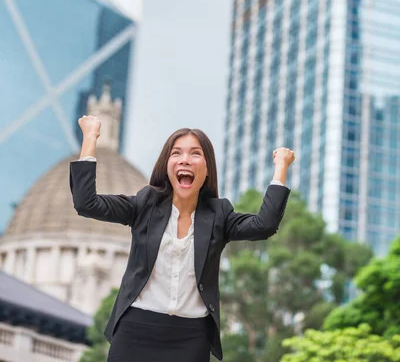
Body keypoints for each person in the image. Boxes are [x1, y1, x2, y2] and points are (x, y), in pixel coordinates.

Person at [70, 115, 295, 362]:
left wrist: (281, 167)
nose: (185, 160)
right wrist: (90, 137)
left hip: (191, 337)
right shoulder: (145, 204)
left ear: (207, 168)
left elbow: (264, 225)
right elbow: (86, 203)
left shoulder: (219, 215)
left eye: (195, 153)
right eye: (176, 153)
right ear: (167, 165)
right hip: (136, 330)